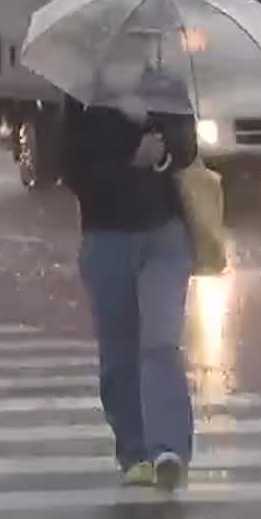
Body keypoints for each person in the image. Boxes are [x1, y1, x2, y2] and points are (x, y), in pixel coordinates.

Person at [62, 93, 200, 491]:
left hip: (165, 235)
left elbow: (187, 147)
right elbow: (72, 169)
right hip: (107, 237)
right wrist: (128, 162)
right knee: (119, 350)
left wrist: (160, 144)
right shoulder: (84, 97)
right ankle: (135, 452)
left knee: (160, 341)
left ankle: (169, 450)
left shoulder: (164, 83)